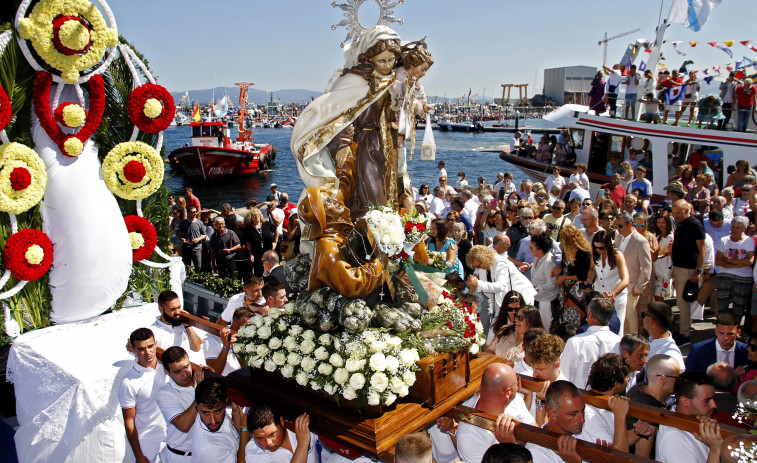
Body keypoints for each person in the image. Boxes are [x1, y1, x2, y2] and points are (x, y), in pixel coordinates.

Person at [456, 363, 536, 463]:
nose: (518, 387)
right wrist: (508, 446)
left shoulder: (515, 400)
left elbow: (535, 434)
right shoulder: (468, 436)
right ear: (508, 392)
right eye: (516, 384)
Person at [524, 381, 606, 462]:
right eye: (573, 414)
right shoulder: (536, 453)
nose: (582, 420)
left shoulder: (580, 432)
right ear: (552, 414)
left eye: (583, 410)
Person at [119, 328, 167, 463]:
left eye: (150, 346)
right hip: (148, 443)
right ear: (133, 350)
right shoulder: (128, 383)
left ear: (156, 343)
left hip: (173, 437)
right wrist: (139, 455)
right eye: (141, 349)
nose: (148, 352)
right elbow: (129, 422)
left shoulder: (167, 367)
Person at [583, 354, 646, 453]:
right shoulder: (588, 413)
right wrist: (620, 415)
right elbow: (618, 454)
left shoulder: (611, 402)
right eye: (627, 378)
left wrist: (637, 432)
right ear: (617, 383)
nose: (628, 380)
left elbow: (619, 440)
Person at [655, 372, 723, 463]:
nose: (714, 405)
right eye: (707, 400)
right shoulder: (674, 438)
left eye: (714, 399)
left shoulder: (697, 422)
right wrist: (715, 449)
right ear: (685, 401)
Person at [626, 354, 682, 459]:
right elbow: (642, 457)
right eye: (678, 378)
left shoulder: (638, 388)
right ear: (663, 380)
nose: (680, 383)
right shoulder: (651, 413)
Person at [157, 346, 206, 461]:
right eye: (177, 371)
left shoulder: (201, 380)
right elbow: (184, 425)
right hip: (180, 457)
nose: (184, 374)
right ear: (166, 372)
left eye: (186, 367)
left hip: (205, 454)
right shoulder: (164, 393)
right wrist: (201, 391)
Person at [560, 297, 621, 388]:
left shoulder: (575, 342)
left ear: (591, 315)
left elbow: (563, 377)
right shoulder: (619, 342)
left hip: (580, 397)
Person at [671, 199, 706, 345]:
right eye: (674, 213)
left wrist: (697, 271)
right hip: (679, 267)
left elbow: (702, 249)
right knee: (681, 302)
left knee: (683, 303)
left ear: (687, 210)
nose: (676, 216)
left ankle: (685, 334)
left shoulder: (695, 225)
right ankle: (682, 330)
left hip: (688, 269)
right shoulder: (681, 224)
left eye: (678, 213)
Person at [191, 378, 244, 463]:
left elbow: (236, 436)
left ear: (225, 403)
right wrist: (245, 428)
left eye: (217, 411)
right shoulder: (210, 450)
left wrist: (235, 412)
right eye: (206, 413)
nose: (213, 421)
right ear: (197, 409)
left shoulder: (204, 406)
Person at [245, 403, 318, 463]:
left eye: (272, 434)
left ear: (282, 422)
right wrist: (302, 444)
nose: (268, 443)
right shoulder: (253, 452)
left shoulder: (300, 426)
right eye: (259, 438)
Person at [521, 334, 568, 424]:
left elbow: (544, 428)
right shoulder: (528, 379)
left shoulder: (564, 392)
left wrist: (540, 401)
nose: (534, 373)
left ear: (556, 364)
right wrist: (527, 396)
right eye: (533, 367)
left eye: (540, 369)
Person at [715, 216, 755, 318]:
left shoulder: (749, 241)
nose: (734, 230)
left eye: (738, 228)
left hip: (743, 277)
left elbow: (749, 261)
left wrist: (728, 260)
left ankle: (735, 328)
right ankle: (721, 325)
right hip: (724, 275)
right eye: (733, 227)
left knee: (739, 306)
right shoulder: (724, 240)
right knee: (722, 304)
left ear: (744, 229)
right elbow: (718, 260)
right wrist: (739, 263)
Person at [590, 230, 629, 332]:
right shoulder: (595, 254)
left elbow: (625, 280)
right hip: (600, 297)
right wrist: (589, 281)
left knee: (617, 328)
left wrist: (613, 293)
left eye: (601, 248)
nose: (598, 250)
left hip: (617, 297)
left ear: (607, 245)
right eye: (595, 247)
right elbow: (592, 269)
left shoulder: (617, 255)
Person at [151, 290, 203, 363]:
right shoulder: (153, 332)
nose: (177, 312)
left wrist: (188, 325)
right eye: (172, 309)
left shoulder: (182, 324)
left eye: (179, 307)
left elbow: (196, 348)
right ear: (161, 309)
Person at [205, 306, 253, 376]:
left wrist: (238, 353)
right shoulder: (213, 339)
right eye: (246, 328)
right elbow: (214, 372)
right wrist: (226, 347)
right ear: (235, 325)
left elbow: (249, 371)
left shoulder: (250, 340)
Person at [642, 302, 686, 371]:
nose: (643, 318)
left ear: (651, 321)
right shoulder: (653, 342)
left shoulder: (669, 357)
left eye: (644, 315)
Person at [530, 234, 560, 328]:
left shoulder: (549, 262)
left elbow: (552, 283)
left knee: (545, 326)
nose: (529, 250)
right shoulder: (537, 258)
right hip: (537, 297)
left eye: (531, 248)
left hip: (546, 300)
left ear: (540, 250)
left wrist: (537, 288)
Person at [243, 208, 277, 277]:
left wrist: (275, 242)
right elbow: (248, 243)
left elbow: (276, 230)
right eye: (254, 215)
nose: (256, 216)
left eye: (258, 215)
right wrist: (250, 254)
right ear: (250, 217)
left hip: (268, 252)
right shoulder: (248, 229)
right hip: (257, 254)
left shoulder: (266, 224)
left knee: (270, 271)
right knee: (258, 273)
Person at [654, 211, 674, 301]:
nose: (660, 225)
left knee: (660, 296)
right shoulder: (656, 235)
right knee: (656, 296)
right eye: (658, 222)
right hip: (655, 268)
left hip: (664, 269)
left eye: (663, 222)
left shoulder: (671, 237)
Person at [179, 207, 206, 272]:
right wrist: (182, 239)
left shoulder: (200, 223)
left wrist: (198, 239)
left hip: (196, 247)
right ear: (188, 213)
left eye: (195, 212)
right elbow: (180, 234)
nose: (195, 213)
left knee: (198, 266)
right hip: (186, 247)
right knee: (186, 266)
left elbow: (204, 235)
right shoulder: (183, 223)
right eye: (193, 212)